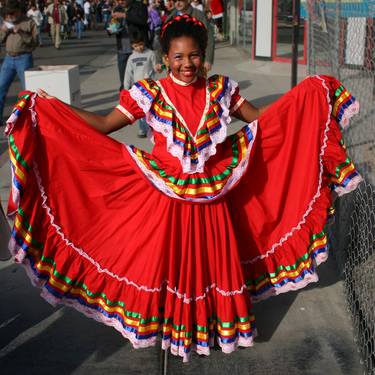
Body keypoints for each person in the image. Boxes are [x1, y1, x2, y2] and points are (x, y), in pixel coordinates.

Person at [6, 15, 362, 361]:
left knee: (211, 262)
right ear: (165, 59)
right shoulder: (150, 93)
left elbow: (264, 123)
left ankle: (214, 326)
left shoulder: (221, 90)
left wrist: (306, 99)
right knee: (173, 265)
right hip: (166, 198)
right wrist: (51, 107)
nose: (187, 64)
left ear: (203, 54)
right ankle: (177, 327)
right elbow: (101, 124)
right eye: (178, 57)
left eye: (193, 55)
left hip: (214, 198)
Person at [0, 0, 37, 124]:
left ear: (19, 11)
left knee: (27, 90)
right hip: (9, 58)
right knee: (1, 87)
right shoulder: (7, 23)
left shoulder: (29, 22)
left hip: (24, 57)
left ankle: (29, 117)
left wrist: (20, 31)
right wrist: (4, 30)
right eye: (8, 13)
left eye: (12, 13)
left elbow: (34, 43)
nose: (9, 15)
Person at [155, 0, 214, 73]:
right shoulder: (171, 17)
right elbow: (162, 38)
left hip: (193, 62)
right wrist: (158, 61)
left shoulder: (198, 15)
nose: (178, 3)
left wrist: (208, 60)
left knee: (196, 83)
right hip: (175, 62)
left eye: (181, 1)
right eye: (175, 1)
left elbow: (209, 37)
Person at [123, 30, 156, 137]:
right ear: (132, 46)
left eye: (141, 44)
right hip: (137, 88)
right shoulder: (131, 58)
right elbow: (128, 73)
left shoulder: (150, 53)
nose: (139, 47)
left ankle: (153, 128)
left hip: (149, 86)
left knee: (151, 109)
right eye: (136, 45)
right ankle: (142, 129)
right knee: (141, 109)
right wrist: (126, 87)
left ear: (144, 42)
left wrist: (159, 68)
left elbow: (156, 67)